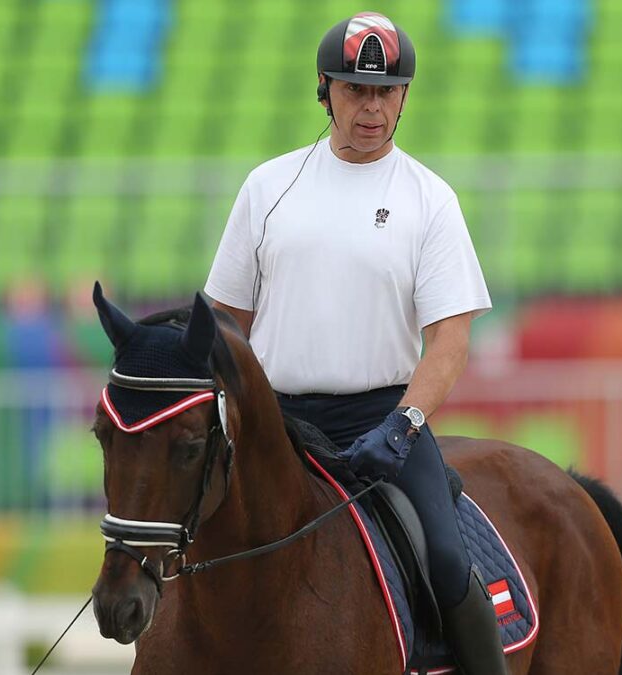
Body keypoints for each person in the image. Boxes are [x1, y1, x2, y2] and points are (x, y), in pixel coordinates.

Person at [203, 12, 504, 675]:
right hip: (275, 424)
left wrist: (406, 421)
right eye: (354, 90)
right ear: (324, 90)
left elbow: (450, 339)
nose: (371, 108)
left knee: (449, 561)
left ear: (403, 96)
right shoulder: (268, 187)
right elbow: (223, 318)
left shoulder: (430, 200)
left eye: (386, 92)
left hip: (384, 424)